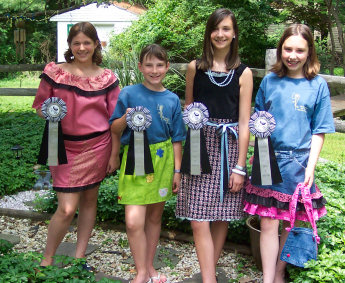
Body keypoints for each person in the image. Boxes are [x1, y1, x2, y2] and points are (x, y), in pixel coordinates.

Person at [243, 24, 335, 283]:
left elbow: (319, 130)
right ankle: (267, 278)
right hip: (268, 159)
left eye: (299, 50)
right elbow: (259, 121)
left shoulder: (317, 85)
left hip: (299, 162)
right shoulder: (270, 81)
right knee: (269, 222)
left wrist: (311, 167)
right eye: (287, 49)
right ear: (280, 49)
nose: (292, 55)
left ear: (309, 53)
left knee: (289, 221)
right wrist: (257, 153)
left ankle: (281, 273)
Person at [32, 22, 120, 269]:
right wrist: (50, 113)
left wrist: (115, 153)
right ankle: (47, 260)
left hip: (97, 146)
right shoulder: (54, 72)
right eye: (77, 43)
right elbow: (39, 105)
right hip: (60, 145)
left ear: (96, 44)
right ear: (70, 45)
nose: (82, 48)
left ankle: (79, 256)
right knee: (67, 208)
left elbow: (115, 120)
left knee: (90, 200)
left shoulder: (107, 78)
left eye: (87, 43)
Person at [176, 8, 253, 283]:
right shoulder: (195, 68)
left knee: (221, 215)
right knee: (199, 217)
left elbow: (244, 123)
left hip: (229, 146)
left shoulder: (243, 73)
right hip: (200, 144)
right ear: (209, 32)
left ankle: (209, 272)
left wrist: (240, 167)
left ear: (234, 34)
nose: (220, 34)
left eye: (226, 29)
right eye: (216, 29)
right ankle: (209, 279)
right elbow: (189, 109)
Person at [109, 44, 186, 283]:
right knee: (133, 222)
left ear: (167, 67)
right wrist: (125, 117)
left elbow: (177, 138)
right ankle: (141, 270)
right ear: (140, 67)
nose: (155, 70)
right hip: (134, 160)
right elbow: (114, 128)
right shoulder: (128, 94)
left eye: (160, 65)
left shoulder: (172, 99)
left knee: (154, 218)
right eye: (149, 65)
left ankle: (148, 267)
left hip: (163, 162)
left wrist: (177, 170)